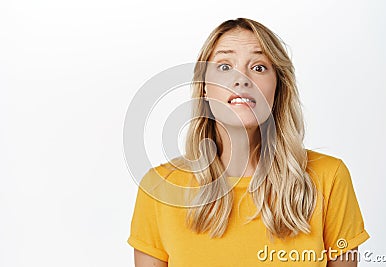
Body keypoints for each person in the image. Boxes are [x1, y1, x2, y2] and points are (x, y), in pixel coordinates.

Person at [127, 18, 369, 267]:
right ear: (204, 89)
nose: (242, 79)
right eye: (224, 66)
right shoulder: (158, 188)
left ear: (278, 87)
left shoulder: (329, 178)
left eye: (259, 67)